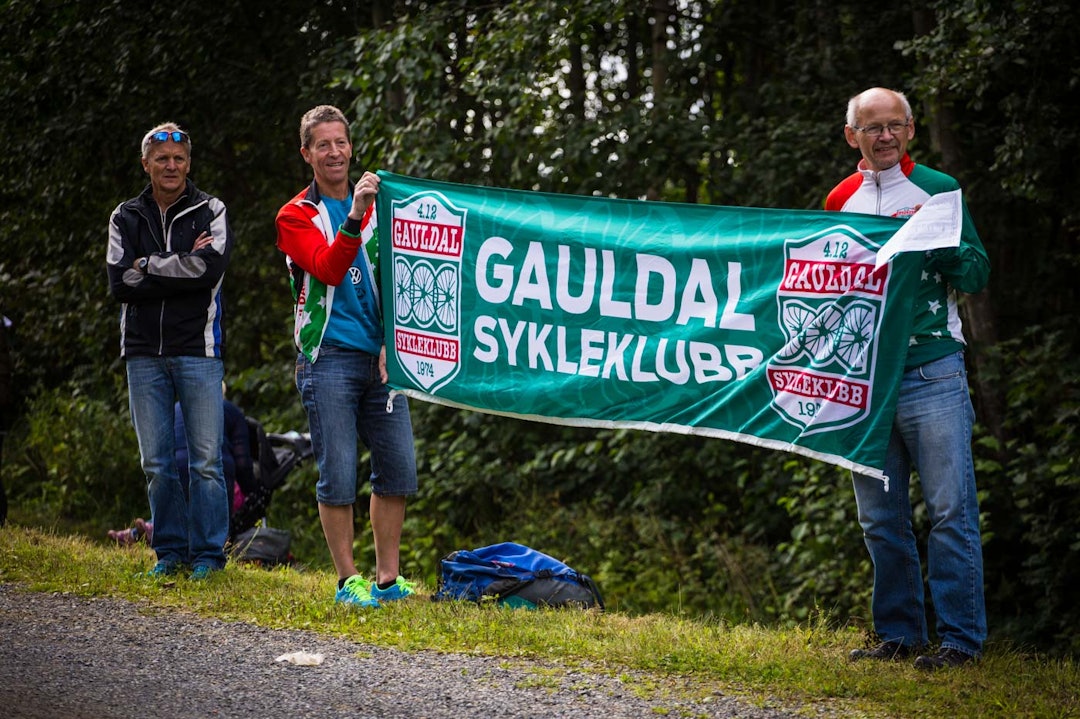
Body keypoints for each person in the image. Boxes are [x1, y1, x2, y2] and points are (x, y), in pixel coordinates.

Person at [825, 88, 990, 670]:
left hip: (931, 368)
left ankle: (960, 642)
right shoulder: (839, 198)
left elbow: (976, 273)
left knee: (950, 511)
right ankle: (899, 636)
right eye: (873, 128)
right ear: (853, 136)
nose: (886, 136)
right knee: (879, 518)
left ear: (912, 129)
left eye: (895, 125)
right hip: (866, 377)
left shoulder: (939, 189)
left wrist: (938, 244)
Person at [275, 105, 418, 608]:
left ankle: (387, 580)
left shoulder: (383, 205)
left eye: (341, 142)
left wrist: (392, 341)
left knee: (398, 468)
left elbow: (400, 278)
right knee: (338, 473)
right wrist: (354, 215)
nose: (334, 152)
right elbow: (328, 269)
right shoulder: (295, 215)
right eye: (323, 145)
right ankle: (347, 580)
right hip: (328, 356)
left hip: (381, 357)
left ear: (351, 147)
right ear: (307, 154)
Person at [106, 122, 233, 580]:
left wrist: (147, 264)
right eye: (162, 159)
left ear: (189, 163)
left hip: (198, 349)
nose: (171, 166)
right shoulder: (125, 216)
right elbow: (121, 283)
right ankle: (171, 552)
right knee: (157, 463)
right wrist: (178, 265)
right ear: (147, 164)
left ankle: (208, 556)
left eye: (179, 158)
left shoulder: (210, 210)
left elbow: (208, 270)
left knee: (206, 461)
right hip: (143, 352)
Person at [108, 397, 253, 545]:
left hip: (175, 464)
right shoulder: (231, 411)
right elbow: (243, 464)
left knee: (176, 513)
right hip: (214, 465)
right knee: (214, 519)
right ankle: (212, 548)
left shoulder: (176, 407)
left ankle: (143, 531)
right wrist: (251, 490)